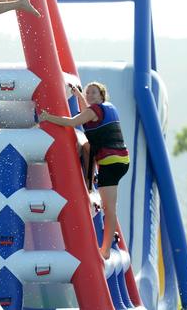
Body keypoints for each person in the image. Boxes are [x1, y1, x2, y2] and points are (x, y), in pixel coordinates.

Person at [39, 82, 130, 259]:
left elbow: (73, 122)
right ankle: (89, 183)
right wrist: (79, 95)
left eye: (93, 93)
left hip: (110, 164)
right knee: (87, 146)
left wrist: (47, 117)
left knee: (108, 208)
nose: (89, 95)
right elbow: (88, 110)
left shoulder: (94, 110)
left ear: (102, 96)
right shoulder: (106, 108)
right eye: (87, 93)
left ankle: (104, 251)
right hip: (120, 161)